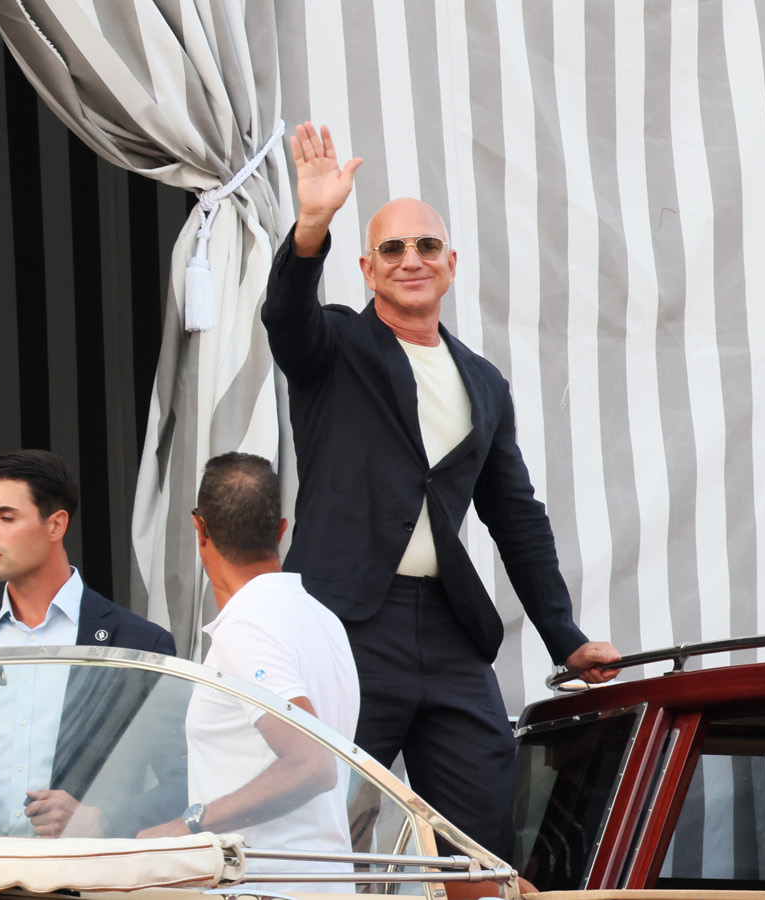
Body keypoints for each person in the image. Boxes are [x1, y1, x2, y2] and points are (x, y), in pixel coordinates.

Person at [261, 122, 621, 859]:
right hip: (349, 620)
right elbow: (285, 318)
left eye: (427, 246)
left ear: (451, 264)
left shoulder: (483, 382)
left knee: (482, 839)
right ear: (367, 269)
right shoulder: (336, 346)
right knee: (327, 833)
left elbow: (516, 518)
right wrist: (311, 226)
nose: (411, 259)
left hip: (449, 629)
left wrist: (565, 635)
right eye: (392, 248)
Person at [0, 450, 178, 837]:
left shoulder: (140, 644)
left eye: (5, 517)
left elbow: (186, 783)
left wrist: (103, 819)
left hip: (84, 870)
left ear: (56, 525)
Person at [138, 452, 357, 885]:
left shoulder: (246, 628)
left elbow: (313, 764)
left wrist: (188, 825)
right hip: (322, 880)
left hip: (267, 882)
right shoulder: (324, 620)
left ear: (199, 528)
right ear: (281, 530)